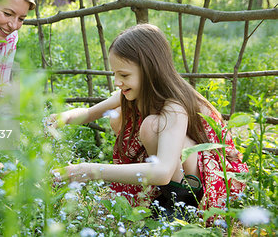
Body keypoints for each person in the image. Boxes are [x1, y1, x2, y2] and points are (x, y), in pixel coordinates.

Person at [51, 24, 248, 217]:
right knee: (119, 115)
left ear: (149, 70)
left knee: (151, 126)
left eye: (124, 75)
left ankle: (181, 206)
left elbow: (162, 170)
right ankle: (164, 196)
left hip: (212, 179)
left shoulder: (174, 106)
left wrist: (89, 170)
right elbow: (89, 113)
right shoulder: (132, 93)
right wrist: (61, 118)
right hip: (177, 167)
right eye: (115, 74)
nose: (117, 82)